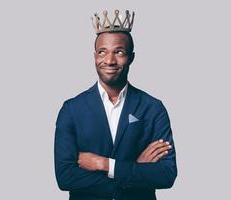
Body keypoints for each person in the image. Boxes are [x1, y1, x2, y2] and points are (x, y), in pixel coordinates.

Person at [54, 10, 177, 200]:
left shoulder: (153, 108)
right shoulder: (71, 109)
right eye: (102, 52)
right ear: (95, 56)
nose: (109, 61)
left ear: (131, 57)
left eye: (119, 52)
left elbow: (166, 174)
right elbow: (65, 178)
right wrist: (135, 169)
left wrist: (105, 165)